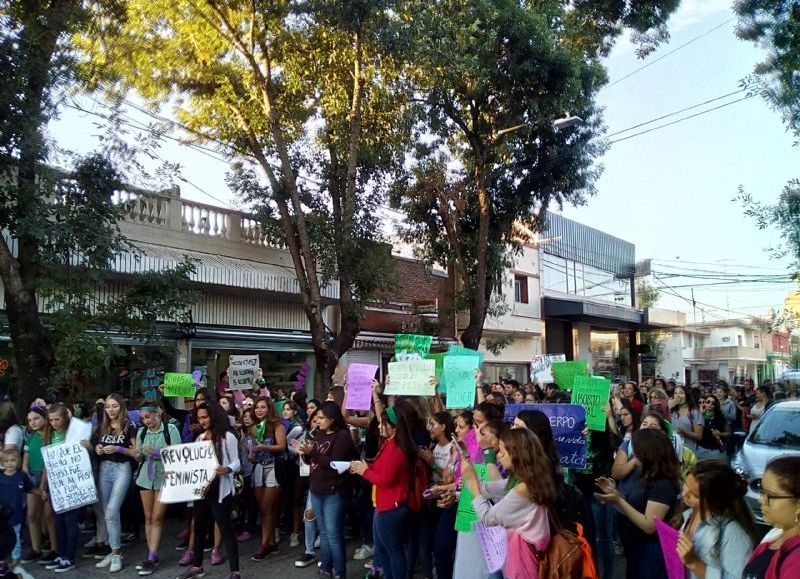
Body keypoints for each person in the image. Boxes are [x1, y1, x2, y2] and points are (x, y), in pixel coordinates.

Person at [460, 428, 557, 579]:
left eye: (503, 451)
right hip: (524, 555)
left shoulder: (523, 488)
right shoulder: (529, 479)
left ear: (517, 454)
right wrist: (467, 460)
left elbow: (488, 517)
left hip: (523, 562)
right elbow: (486, 489)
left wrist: (472, 481)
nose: (499, 455)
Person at [595, 428, 680, 579]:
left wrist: (618, 500)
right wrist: (615, 493)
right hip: (635, 545)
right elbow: (637, 506)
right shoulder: (643, 473)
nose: (633, 453)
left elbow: (650, 525)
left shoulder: (662, 484)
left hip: (651, 551)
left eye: (636, 448)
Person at [350, 406, 416, 579]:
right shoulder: (389, 444)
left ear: (395, 426)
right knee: (384, 551)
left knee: (392, 551)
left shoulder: (396, 450)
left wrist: (364, 471)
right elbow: (380, 469)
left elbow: (384, 480)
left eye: (384, 424)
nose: (380, 427)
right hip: (384, 505)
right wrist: (363, 467)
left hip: (390, 508)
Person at [178, 401, 241, 579]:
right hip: (202, 490)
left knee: (225, 529)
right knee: (198, 528)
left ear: (214, 416)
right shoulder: (200, 438)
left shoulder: (228, 436)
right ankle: (197, 566)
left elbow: (237, 462)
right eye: (199, 418)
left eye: (205, 417)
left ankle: (235, 571)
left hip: (220, 490)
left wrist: (227, 469)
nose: (202, 421)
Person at [294, 401, 356, 579]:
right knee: (324, 532)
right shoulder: (318, 435)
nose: (317, 422)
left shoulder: (342, 436)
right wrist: (304, 452)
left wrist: (312, 452)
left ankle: (340, 572)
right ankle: (326, 567)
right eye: (316, 419)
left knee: (334, 534)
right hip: (316, 489)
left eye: (321, 418)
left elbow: (334, 464)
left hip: (333, 491)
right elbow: (311, 463)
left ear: (332, 419)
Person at [676, 460, 758, 579]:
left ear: (714, 500)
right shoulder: (690, 512)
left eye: (694, 495)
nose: (684, 494)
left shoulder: (734, 534)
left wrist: (694, 563)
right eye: (685, 484)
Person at [87, 393, 137, 573]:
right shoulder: (103, 426)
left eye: (114, 406)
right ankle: (112, 550)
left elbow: (137, 453)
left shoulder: (129, 425)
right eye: (108, 406)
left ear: (121, 407)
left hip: (122, 468)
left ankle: (116, 554)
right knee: (106, 511)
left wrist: (118, 448)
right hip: (104, 469)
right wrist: (98, 448)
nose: (111, 410)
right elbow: (94, 446)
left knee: (112, 511)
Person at [134, 403, 181, 575]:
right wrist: (138, 455)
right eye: (143, 418)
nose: (146, 421)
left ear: (157, 414)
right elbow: (139, 456)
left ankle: (152, 555)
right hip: (146, 477)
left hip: (164, 476)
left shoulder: (170, 429)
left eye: (148, 417)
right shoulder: (142, 432)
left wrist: (154, 452)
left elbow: (177, 454)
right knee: (147, 517)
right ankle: (151, 554)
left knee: (157, 517)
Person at [741, 456, 800, 578]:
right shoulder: (774, 536)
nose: (761, 499)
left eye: (770, 495)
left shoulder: (796, 561)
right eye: (762, 491)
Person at [40, 403, 78, 573]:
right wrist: (43, 485)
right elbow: (47, 463)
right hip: (55, 484)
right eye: (51, 420)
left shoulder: (73, 433)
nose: (54, 423)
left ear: (65, 418)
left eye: (57, 419)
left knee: (70, 521)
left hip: (72, 482)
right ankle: (61, 554)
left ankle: (70, 557)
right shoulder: (50, 435)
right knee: (58, 521)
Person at [249, 397, 286, 561]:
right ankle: (271, 542)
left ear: (269, 409)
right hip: (258, 467)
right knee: (264, 510)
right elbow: (251, 452)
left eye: (263, 407)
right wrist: (252, 453)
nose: (259, 410)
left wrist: (264, 447)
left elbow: (281, 447)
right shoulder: (253, 428)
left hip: (273, 467)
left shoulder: (277, 426)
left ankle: (264, 544)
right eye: (257, 407)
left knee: (266, 508)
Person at [20, 406, 55, 564]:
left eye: (36, 418)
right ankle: (36, 549)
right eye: (30, 420)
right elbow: (25, 460)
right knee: (32, 515)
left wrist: (43, 485)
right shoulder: (31, 437)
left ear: (44, 418)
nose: (33, 422)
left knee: (49, 516)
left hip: (48, 478)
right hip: (32, 477)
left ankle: (55, 549)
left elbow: (49, 461)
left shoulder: (52, 436)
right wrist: (26, 477)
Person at [0, 449, 33, 572]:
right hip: (2, 516)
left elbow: (30, 489)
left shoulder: (21, 476)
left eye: (13, 460)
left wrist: (41, 494)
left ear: (18, 461)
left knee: (16, 538)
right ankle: (2, 560)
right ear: (3, 462)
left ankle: (16, 560)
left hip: (16, 514)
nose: (10, 463)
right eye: (6, 461)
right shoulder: (0, 477)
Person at [281, 401, 305, 548]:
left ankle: (295, 532)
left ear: (295, 412)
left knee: (296, 499)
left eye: (288, 409)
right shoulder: (286, 424)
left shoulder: (296, 427)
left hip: (296, 466)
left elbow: (285, 445)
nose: (285, 412)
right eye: (284, 409)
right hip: (289, 466)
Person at [669, 384, 703, 452]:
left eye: (681, 392)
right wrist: (668, 407)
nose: (678, 395)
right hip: (673, 450)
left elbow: (699, 436)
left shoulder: (694, 412)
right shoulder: (671, 412)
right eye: (675, 393)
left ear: (686, 395)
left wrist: (684, 432)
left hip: (688, 451)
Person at [695, 395, 730, 461]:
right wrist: (700, 414)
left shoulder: (720, 417)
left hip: (716, 451)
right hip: (701, 450)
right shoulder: (698, 416)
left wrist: (720, 434)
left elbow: (728, 433)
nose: (710, 404)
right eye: (708, 402)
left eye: (713, 403)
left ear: (715, 406)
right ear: (704, 403)